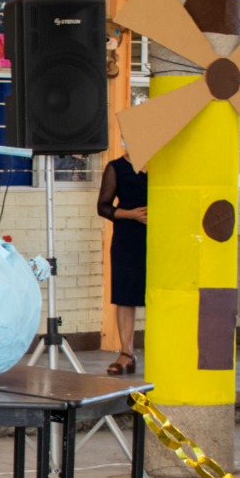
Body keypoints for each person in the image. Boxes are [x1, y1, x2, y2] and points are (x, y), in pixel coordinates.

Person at [97, 148, 147, 376]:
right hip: (128, 236)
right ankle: (126, 353)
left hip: (162, 235)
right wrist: (132, 214)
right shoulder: (117, 167)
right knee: (125, 294)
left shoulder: (163, 162)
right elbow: (103, 207)